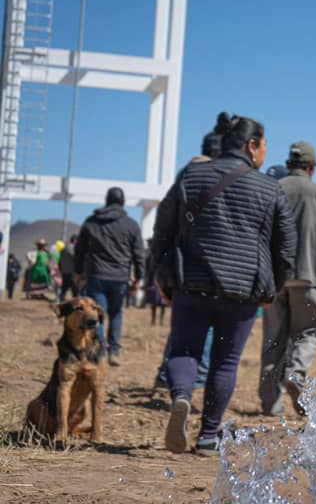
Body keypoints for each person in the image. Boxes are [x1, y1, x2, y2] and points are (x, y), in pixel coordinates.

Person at [151, 112, 296, 455]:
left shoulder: (191, 175)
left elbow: (162, 230)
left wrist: (163, 277)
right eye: (264, 146)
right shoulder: (270, 188)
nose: (265, 153)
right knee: (225, 363)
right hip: (243, 292)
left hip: (191, 284)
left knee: (184, 351)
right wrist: (272, 288)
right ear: (251, 145)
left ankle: (182, 397)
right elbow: (287, 249)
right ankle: (207, 437)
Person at [259, 141, 316, 417]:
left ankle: (270, 404)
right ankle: (295, 374)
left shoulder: (273, 190)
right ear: (311, 168)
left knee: (274, 338)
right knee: (307, 332)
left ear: (289, 165)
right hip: (310, 276)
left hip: (276, 278)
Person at [151, 128, 223, 398]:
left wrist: (161, 265)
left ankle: (166, 374)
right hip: (206, 263)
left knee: (182, 327)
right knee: (207, 326)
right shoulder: (215, 176)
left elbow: (165, 220)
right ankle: (193, 382)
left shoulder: (186, 172)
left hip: (181, 261)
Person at [75, 188, 145, 366]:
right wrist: (139, 277)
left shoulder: (91, 222)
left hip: (96, 275)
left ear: (106, 200)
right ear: (123, 202)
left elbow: (79, 250)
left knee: (97, 314)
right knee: (116, 314)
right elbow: (139, 254)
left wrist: (78, 271)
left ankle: (100, 351)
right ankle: (114, 351)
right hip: (120, 277)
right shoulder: (131, 225)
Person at [58, 235, 78, 301]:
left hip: (65, 273)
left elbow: (59, 262)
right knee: (75, 292)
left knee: (63, 290)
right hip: (72, 273)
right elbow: (76, 259)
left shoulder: (63, 249)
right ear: (74, 240)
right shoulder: (73, 249)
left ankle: (61, 303)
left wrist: (61, 270)